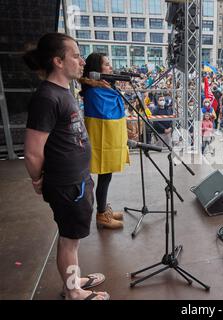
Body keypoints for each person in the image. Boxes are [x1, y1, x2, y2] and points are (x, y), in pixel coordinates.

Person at [23, 33, 109, 300]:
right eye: (75, 55)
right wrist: (38, 180)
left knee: (72, 238)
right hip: (67, 184)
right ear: (58, 61)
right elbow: (33, 151)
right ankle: (73, 291)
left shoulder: (62, 91)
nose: (82, 61)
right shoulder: (47, 97)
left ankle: (74, 279)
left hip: (77, 181)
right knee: (69, 240)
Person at [79, 52, 128, 230]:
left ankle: (103, 208)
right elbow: (106, 114)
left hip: (108, 140)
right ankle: (101, 215)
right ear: (96, 69)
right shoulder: (94, 91)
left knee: (106, 176)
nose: (110, 67)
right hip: (102, 141)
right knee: (104, 176)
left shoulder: (103, 87)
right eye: (106, 64)